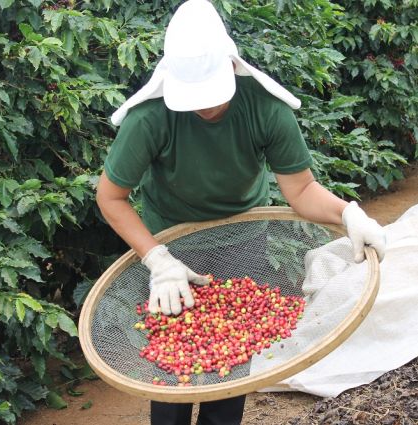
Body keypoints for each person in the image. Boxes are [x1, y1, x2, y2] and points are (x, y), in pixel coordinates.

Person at [96, 1, 386, 424]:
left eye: (211, 96)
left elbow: (301, 190)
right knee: (172, 371)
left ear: (233, 67)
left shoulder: (266, 109)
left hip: (242, 241)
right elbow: (111, 197)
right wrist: (157, 260)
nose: (203, 108)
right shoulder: (150, 118)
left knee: (231, 370)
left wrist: (349, 215)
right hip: (170, 248)